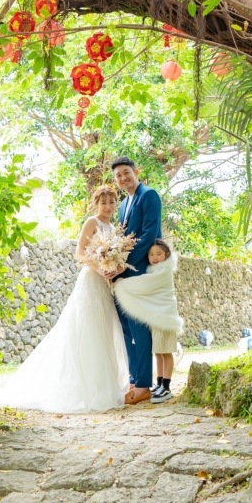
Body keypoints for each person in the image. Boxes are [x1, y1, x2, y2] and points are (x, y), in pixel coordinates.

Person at [0, 185, 129, 413]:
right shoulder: (91, 222)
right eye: (103, 203)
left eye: (111, 202)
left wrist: (113, 268)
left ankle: (103, 385)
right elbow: (80, 253)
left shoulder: (113, 228)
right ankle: (83, 388)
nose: (108, 207)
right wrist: (100, 268)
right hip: (91, 281)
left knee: (104, 329)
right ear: (96, 204)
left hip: (105, 285)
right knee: (87, 329)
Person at [110, 156, 162, 405]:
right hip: (122, 274)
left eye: (126, 172)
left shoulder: (149, 195)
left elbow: (149, 233)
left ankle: (143, 385)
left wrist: (125, 263)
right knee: (127, 328)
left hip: (140, 270)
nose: (123, 178)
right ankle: (134, 380)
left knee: (139, 328)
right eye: (118, 175)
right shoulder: (123, 204)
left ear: (136, 172)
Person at [113, 238, 183, 403]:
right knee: (158, 352)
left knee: (166, 353)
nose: (155, 257)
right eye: (151, 254)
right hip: (157, 317)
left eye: (159, 254)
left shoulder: (163, 271)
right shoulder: (154, 270)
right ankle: (159, 383)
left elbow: (144, 284)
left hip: (165, 317)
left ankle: (166, 386)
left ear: (167, 255)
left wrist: (121, 283)